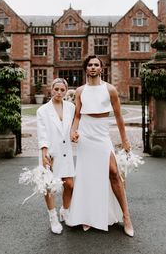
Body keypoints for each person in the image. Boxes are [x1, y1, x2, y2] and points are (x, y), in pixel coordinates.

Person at [67, 55, 134, 237]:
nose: (93, 67)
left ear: (101, 68)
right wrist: (73, 131)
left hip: (102, 134)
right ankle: (88, 216)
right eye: (90, 65)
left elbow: (119, 117)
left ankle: (126, 216)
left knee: (113, 172)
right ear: (86, 69)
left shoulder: (110, 89)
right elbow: (78, 115)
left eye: (96, 65)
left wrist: (125, 140)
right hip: (86, 134)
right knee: (87, 175)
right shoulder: (80, 91)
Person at [37, 78, 75, 234]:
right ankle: (53, 218)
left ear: (66, 91)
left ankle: (65, 211)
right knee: (50, 187)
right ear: (51, 89)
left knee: (70, 185)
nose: (59, 92)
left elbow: (75, 126)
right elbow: (42, 132)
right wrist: (45, 151)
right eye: (56, 89)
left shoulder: (71, 107)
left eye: (62, 90)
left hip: (66, 151)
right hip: (50, 152)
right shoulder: (43, 110)